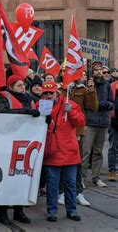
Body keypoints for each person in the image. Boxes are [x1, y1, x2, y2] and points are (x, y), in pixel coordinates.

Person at [0, 75, 40, 224]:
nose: (22, 87)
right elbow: (2, 114)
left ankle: (19, 211)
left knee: (21, 177)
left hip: (24, 144)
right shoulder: (1, 98)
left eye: (23, 85)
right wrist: (26, 113)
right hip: (5, 143)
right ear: (10, 86)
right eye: (18, 85)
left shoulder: (30, 99)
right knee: (6, 179)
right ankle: (3, 212)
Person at [42, 82, 85, 222]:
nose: (49, 95)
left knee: (70, 184)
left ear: (57, 93)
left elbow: (80, 122)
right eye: (46, 93)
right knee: (52, 184)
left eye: (51, 93)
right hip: (52, 151)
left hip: (68, 151)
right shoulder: (41, 106)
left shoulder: (69, 104)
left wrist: (71, 111)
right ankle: (52, 211)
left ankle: (71, 210)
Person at [57, 74, 98, 206]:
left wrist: (92, 91)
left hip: (77, 131)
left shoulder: (84, 89)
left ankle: (78, 192)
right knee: (62, 162)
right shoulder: (61, 90)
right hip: (61, 131)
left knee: (77, 163)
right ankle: (62, 192)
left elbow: (93, 107)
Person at [81, 61, 114, 188]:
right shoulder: (88, 84)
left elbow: (111, 102)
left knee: (98, 152)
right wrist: (97, 104)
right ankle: (82, 177)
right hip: (90, 122)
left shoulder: (107, 85)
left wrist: (105, 105)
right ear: (92, 71)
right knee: (86, 151)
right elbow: (87, 104)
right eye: (96, 69)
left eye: (101, 69)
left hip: (103, 122)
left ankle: (96, 177)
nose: (99, 71)